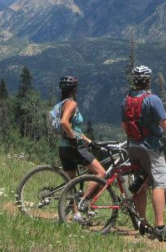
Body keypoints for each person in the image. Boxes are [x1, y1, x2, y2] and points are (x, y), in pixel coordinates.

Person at [121, 65, 166, 242]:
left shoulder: (126, 100)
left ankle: (142, 223)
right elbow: (164, 123)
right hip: (149, 147)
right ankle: (160, 227)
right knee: (159, 182)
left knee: (140, 183)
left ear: (134, 81)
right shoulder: (152, 99)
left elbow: (124, 126)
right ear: (148, 81)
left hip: (132, 146)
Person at [54, 75, 107, 223]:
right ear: (75, 89)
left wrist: (88, 141)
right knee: (101, 173)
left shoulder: (62, 103)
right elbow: (65, 123)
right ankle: (84, 201)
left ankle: (76, 215)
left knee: (71, 183)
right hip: (73, 147)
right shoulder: (71, 104)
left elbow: (73, 128)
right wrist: (75, 139)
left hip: (63, 147)